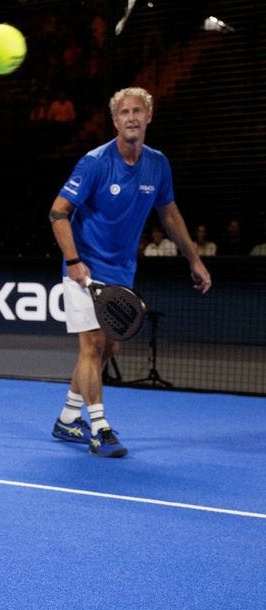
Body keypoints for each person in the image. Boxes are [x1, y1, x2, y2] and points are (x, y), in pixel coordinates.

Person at [49, 87, 211, 458]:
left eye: (138, 111)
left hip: (122, 270)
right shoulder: (94, 162)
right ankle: (99, 429)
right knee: (90, 345)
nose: (132, 117)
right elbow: (58, 213)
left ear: (149, 116)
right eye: (124, 112)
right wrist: (73, 261)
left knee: (109, 346)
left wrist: (194, 259)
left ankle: (68, 418)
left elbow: (169, 215)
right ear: (115, 120)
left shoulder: (158, 164)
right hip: (84, 267)